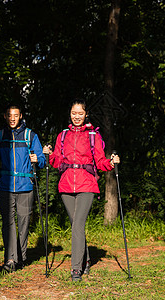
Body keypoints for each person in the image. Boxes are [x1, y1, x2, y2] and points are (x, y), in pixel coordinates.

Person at [43, 99, 120, 282]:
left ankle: (76, 269)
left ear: (86, 115)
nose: (76, 116)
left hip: (87, 184)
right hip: (66, 184)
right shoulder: (62, 136)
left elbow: (100, 161)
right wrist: (48, 154)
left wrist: (110, 163)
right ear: (70, 114)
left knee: (78, 224)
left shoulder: (93, 135)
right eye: (73, 113)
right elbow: (57, 161)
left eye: (80, 113)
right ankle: (85, 259)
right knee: (76, 225)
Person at [0, 104, 45, 272]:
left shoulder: (30, 136)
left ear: (21, 116)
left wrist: (37, 160)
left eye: (15, 115)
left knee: (24, 223)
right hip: (5, 187)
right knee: (8, 224)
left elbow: (41, 159)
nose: (12, 118)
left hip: (26, 187)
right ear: (5, 116)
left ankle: (21, 257)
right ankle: (10, 259)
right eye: (10, 115)